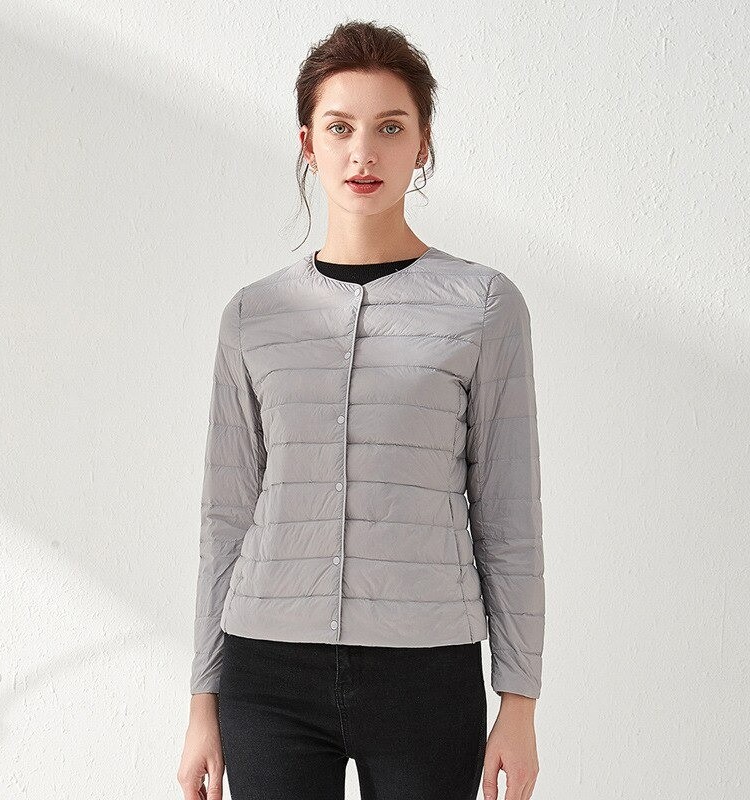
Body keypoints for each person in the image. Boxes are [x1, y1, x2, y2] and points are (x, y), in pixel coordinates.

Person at [178, 20, 544, 800]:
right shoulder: (252, 316)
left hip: (426, 674)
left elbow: (508, 515)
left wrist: (519, 702)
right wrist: (202, 703)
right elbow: (225, 519)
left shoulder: (484, 305)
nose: (363, 153)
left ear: (423, 143)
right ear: (308, 144)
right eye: (340, 128)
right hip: (266, 674)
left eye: (390, 128)